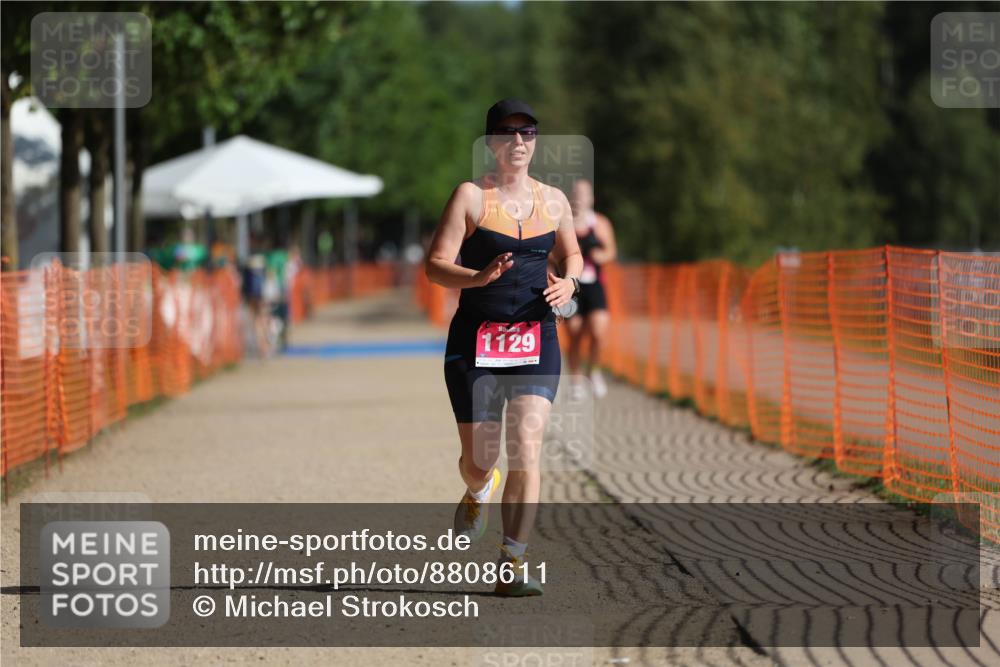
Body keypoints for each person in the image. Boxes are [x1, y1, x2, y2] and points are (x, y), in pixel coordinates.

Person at [425, 99, 583, 597]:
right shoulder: (470, 197)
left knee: (527, 449)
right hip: (476, 342)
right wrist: (478, 276)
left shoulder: (554, 201)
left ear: (536, 142)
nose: (519, 142)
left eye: (528, 133)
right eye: (508, 133)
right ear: (491, 142)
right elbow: (434, 265)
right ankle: (477, 488)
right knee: (481, 458)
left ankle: (512, 563)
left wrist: (571, 284)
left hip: (537, 339)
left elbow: (572, 253)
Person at [565, 178, 617, 398]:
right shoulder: (563, 223)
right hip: (571, 286)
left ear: (591, 198)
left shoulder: (600, 223)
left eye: (584, 193)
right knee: (575, 334)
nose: (579, 197)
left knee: (598, 332)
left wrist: (599, 255)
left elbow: (611, 252)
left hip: (595, 284)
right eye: (576, 193)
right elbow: (553, 253)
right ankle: (576, 381)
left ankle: (594, 372)